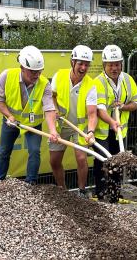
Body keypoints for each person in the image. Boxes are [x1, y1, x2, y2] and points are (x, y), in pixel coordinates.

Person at [0, 45, 58, 184]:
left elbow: (49, 108)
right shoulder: (7, 76)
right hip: (11, 121)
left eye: (39, 71)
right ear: (22, 67)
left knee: (34, 152)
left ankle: (31, 184)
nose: (36, 75)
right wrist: (9, 116)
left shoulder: (44, 84)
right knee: (4, 151)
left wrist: (53, 131)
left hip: (33, 124)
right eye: (32, 71)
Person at [93, 44, 137, 202]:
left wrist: (123, 107)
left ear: (121, 64)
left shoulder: (127, 79)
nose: (114, 68)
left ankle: (114, 194)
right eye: (110, 65)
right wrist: (112, 120)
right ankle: (101, 194)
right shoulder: (98, 82)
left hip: (119, 131)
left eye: (117, 64)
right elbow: (100, 109)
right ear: (104, 65)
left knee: (118, 162)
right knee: (103, 160)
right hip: (102, 130)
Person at [49, 45, 97, 198]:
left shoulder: (91, 85)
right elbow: (52, 96)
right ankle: (63, 191)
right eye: (80, 63)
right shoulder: (60, 76)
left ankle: (81, 191)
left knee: (81, 158)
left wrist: (90, 132)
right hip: (61, 125)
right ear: (72, 62)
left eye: (86, 64)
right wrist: (55, 109)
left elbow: (91, 114)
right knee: (54, 161)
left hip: (79, 127)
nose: (83, 67)